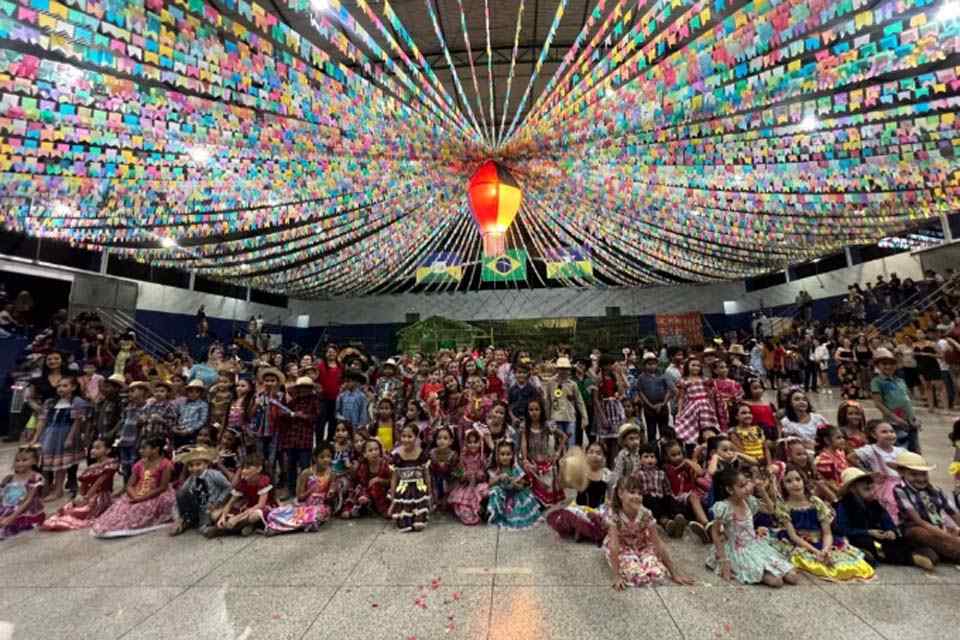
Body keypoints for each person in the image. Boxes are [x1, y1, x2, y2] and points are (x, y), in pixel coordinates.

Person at [773, 466, 875, 581]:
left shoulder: (816, 502)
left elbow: (827, 533)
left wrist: (825, 550)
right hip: (800, 543)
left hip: (822, 540)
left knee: (846, 564)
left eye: (798, 479)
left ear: (804, 481)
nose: (795, 484)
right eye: (788, 481)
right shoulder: (783, 506)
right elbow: (793, 536)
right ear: (783, 485)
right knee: (813, 563)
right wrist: (816, 552)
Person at [705, 467, 798, 587]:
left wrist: (762, 491)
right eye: (742, 486)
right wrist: (724, 561)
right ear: (729, 489)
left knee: (793, 578)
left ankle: (769, 568)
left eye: (747, 483)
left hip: (755, 545)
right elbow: (716, 533)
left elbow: (770, 510)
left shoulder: (749, 501)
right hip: (738, 551)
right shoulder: (724, 507)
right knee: (777, 582)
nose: (748, 488)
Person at [834, 467, 935, 570]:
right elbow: (842, 530)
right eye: (867, 489)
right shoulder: (843, 505)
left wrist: (891, 531)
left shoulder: (874, 504)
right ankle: (911, 558)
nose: (872, 492)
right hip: (859, 538)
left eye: (873, 488)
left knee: (899, 539)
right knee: (870, 544)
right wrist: (868, 532)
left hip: (879, 536)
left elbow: (886, 519)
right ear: (853, 490)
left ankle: (917, 552)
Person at [604, 474, 693, 589]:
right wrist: (616, 576)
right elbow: (614, 545)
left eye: (640, 493)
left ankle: (642, 561)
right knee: (634, 574)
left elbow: (658, 543)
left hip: (642, 545)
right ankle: (632, 563)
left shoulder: (646, 514)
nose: (637, 496)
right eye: (632, 492)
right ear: (620, 494)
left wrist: (674, 573)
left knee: (657, 573)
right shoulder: (614, 514)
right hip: (622, 547)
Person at [92, 436, 175, 538]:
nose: (140, 451)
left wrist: (141, 498)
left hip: (156, 494)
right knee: (120, 510)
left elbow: (163, 487)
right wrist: (134, 496)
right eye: (140, 448)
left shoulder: (165, 464)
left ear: (156, 449)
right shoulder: (140, 464)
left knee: (138, 510)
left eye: (144, 448)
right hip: (136, 494)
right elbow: (129, 485)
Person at [890, 452, 960, 564]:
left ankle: (933, 552)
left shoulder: (936, 490)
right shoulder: (900, 490)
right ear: (901, 472)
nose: (921, 479)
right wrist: (947, 537)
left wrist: (951, 530)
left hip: (936, 527)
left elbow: (952, 511)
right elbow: (918, 520)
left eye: (924, 474)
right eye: (914, 474)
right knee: (921, 533)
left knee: (947, 537)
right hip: (913, 528)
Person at [42, 438, 118, 531]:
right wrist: (79, 496)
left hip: (101, 496)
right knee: (67, 509)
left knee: (81, 512)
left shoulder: (110, 463)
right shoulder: (91, 467)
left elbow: (99, 483)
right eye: (93, 448)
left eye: (98, 448)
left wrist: (86, 498)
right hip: (89, 495)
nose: (93, 450)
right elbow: (83, 485)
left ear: (108, 450)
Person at [32, 376, 88, 501]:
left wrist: (70, 438)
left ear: (73, 387)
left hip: (64, 434)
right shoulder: (51, 402)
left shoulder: (77, 401)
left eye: (65, 386)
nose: (61, 389)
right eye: (59, 386)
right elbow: (42, 421)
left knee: (61, 465)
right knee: (45, 463)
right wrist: (35, 438)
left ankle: (58, 490)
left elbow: (76, 422)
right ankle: (46, 487)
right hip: (49, 435)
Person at [546, 440, 612, 543]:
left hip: (598, 509)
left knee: (606, 522)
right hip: (580, 507)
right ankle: (580, 529)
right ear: (585, 455)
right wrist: (562, 469)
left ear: (604, 457)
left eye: (599, 453)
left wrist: (610, 502)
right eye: (591, 452)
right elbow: (565, 484)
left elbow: (611, 493)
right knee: (572, 516)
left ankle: (586, 530)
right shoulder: (581, 471)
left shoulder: (607, 474)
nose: (594, 455)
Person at [266, 443, 335, 535]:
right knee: (278, 513)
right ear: (315, 458)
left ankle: (278, 528)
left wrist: (331, 493)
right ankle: (276, 526)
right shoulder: (306, 473)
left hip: (320, 506)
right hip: (305, 504)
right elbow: (299, 497)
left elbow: (330, 497)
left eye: (329, 457)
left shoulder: (331, 474)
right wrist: (310, 491)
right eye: (322, 457)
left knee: (315, 515)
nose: (326, 460)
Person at [850, 421, 907, 524]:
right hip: (883, 486)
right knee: (889, 504)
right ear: (874, 435)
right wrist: (867, 473)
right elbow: (851, 457)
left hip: (901, 484)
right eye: (884, 432)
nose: (889, 434)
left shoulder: (901, 451)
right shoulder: (871, 450)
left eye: (892, 431)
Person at [209, 453, 277, 537]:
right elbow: (230, 503)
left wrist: (237, 518)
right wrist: (222, 517)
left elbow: (260, 504)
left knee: (255, 515)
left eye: (248, 468)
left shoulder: (263, 480)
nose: (244, 471)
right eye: (243, 468)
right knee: (214, 515)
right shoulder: (243, 482)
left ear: (259, 469)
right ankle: (244, 526)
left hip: (263, 507)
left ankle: (230, 529)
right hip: (248, 507)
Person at [169, 446, 232, 536]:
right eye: (191, 466)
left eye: (198, 464)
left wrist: (219, 502)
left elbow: (228, 487)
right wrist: (177, 518)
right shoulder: (191, 479)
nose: (194, 468)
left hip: (211, 507)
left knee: (207, 526)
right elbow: (179, 499)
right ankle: (185, 521)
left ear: (206, 464)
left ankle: (209, 527)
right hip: (197, 509)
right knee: (181, 493)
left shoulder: (214, 474)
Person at [870, 348, 919, 453]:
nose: (888, 366)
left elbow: (907, 401)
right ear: (878, 366)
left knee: (914, 450)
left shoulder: (900, 380)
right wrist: (896, 419)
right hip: (893, 423)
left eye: (891, 364)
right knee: (899, 451)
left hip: (910, 421)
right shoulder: (877, 381)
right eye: (884, 364)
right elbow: (878, 403)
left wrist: (914, 418)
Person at [632, 443, 687, 538]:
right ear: (640, 460)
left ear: (657, 459)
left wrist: (670, 499)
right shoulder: (638, 474)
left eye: (652, 457)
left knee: (669, 499)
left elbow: (667, 489)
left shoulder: (661, 473)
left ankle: (677, 520)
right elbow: (635, 490)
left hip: (661, 499)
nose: (650, 460)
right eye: (646, 457)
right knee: (650, 500)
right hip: (648, 501)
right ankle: (666, 522)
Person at [279, 377, 320, 499]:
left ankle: (304, 492)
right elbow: (283, 413)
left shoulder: (314, 401)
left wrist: (303, 416)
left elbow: (316, 418)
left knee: (305, 467)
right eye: (301, 388)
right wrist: (291, 415)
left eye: (306, 388)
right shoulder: (294, 401)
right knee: (290, 465)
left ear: (310, 389)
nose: (303, 390)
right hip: (291, 438)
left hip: (305, 438)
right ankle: (291, 490)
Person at [520, 398, 566, 506]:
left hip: (546, 462)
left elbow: (563, 437)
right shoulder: (525, 425)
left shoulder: (547, 425)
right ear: (527, 411)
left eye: (537, 409)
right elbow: (524, 443)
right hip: (533, 462)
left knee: (546, 495)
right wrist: (525, 459)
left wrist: (557, 452)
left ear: (542, 411)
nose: (534, 412)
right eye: (531, 410)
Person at [487, 441, 541, 529]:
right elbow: (489, 484)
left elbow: (522, 485)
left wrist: (515, 483)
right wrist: (499, 477)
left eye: (508, 454)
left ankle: (511, 516)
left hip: (516, 495)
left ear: (512, 455)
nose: (505, 457)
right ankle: (494, 514)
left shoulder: (514, 468)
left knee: (516, 510)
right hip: (503, 494)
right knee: (495, 490)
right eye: (502, 454)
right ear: (498, 456)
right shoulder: (497, 469)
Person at [389, 424, 431, 532]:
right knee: (404, 521)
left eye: (409, 436)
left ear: (416, 437)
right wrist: (393, 496)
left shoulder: (422, 454)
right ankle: (406, 520)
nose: (406, 439)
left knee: (418, 521)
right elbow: (394, 478)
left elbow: (426, 474)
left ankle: (419, 518)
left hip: (419, 488)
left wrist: (429, 493)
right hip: (403, 489)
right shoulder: (397, 456)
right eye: (403, 436)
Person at [0, 447, 46, 539]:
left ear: (34, 462)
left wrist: (11, 517)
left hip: (26, 510)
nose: (20, 463)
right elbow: (3, 497)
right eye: (17, 460)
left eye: (24, 460)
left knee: (7, 526)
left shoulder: (35, 478)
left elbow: (28, 500)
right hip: (9, 507)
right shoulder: (9, 478)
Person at [673, 358, 720, 447]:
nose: (696, 368)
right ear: (687, 367)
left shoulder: (704, 379)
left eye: (698, 366)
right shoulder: (684, 381)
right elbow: (681, 398)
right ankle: (694, 445)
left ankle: (709, 446)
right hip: (692, 407)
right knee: (692, 427)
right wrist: (679, 411)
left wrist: (713, 407)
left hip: (705, 406)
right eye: (693, 365)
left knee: (707, 428)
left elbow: (710, 395)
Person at [542, 357, 588, 447]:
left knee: (571, 443)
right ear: (557, 369)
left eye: (565, 369)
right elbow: (548, 402)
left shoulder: (572, 384)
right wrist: (547, 419)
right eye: (561, 369)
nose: (563, 371)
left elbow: (579, 401)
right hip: (556, 417)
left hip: (569, 417)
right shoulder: (551, 383)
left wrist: (584, 417)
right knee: (559, 444)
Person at [448, 427, 489, 525]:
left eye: (475, 442)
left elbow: (486, 472)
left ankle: (482, 510)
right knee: (463, 502)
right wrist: (464, 475)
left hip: (479, 484)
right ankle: (471, 513)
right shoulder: (463, 457)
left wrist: (480, 474)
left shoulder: (482, 457)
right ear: (466, 444)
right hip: (466, 485)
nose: (472, 445)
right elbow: (459, 473)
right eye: (469, 442)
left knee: (484, 492)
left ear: (480, 443)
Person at [631, 352, 674, 444]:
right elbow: (640, 392)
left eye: (654, 364)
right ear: (644, 365)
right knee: (651, 431)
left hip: (663, 407)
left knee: (664, 431)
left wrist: (663, 403)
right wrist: (650, 405)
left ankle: (665, 451)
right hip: (649, 409)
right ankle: (653, 450)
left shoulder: (663, 375)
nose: (651, 366)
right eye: (649, 364)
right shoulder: (641, 377)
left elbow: (669, 389)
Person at [355, 438, 392, 518]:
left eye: (376, 449)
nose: (374, 452)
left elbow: (393, 480)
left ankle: (384, 510)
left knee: (376, 485)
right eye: (370, 450)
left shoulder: (385, 464)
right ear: (365, 454)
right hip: (369, 490)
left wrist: (380, 480)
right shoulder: (363, 466)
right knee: (360, 491)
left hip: (386, 491)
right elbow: (363, 483)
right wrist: (365, 495)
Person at [315, 345, 344, 441]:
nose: (331, 353)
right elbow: (316, 381)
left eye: (333, 351)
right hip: (323, 399)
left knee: (334, 422)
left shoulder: (341, 367)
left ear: (337, 353)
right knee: (320, 422)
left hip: (336, 399)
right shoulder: (320, 366)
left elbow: (343, 381)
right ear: (325, 354)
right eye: (329, 351)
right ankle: (319, 443)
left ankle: (330, 441)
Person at [814, 425, 849, 498]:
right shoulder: (824, 459)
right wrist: (844, 492)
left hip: (845, 487)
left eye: (843, 437)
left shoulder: (840, 453)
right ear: (827, 440)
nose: (843, 440)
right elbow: (829, 482)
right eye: (838, 438)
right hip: (835, 493)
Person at [173, 380, 209, 448]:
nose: (193, 394)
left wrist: (190, 430)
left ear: (200, 393)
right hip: (180, 430)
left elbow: (202, 420)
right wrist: (175, 427)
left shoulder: (203, 404)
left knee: (188, 449)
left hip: (192, 432)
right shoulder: (183, 403)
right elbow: (177, 415)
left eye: (197, 392)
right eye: (191, 392)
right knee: (177, 449)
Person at [429, 425, 458, 511]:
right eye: (439, 438)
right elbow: (429, 470)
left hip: (448, 482)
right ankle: (435, 500)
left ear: (451, 441)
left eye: (445, 438)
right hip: (434, 481)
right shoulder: (432, 453)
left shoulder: (453, 455)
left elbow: (457, 472)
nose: (442, 441)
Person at [710, 360, 743, 433]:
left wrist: (733, 398)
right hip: (718, 409)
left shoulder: (733, 383)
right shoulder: (713, 383)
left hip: (731, 408)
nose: (725, 369)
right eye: (721, 367)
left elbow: (739, 395)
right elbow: (711, 397)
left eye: (726, 367)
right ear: (715, 371)